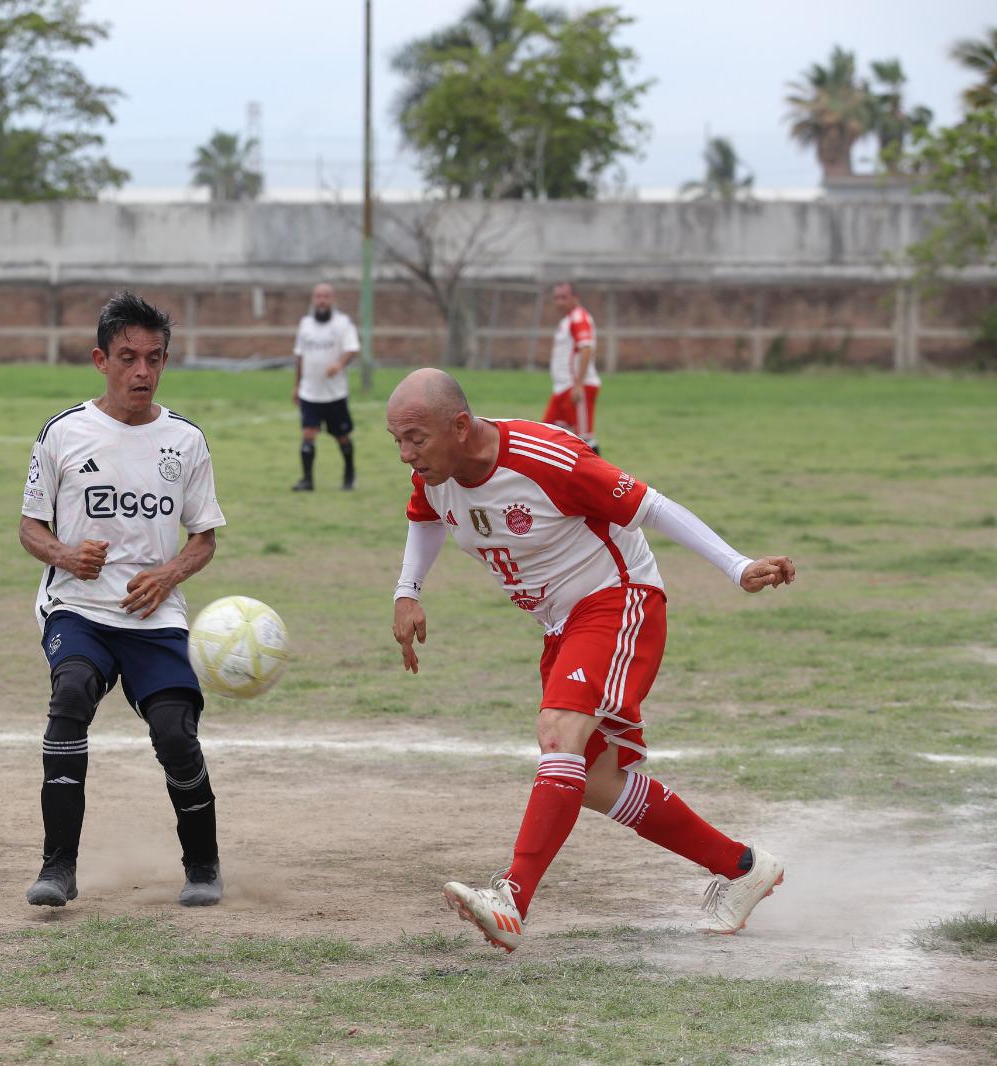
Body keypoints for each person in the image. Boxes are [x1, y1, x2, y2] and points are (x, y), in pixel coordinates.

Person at [386, 368, 795, 952]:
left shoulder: (547, 458)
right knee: (597, 781)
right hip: (562, 626)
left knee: (559, 735)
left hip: (617, 600)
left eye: (415, 438)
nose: (406, 455)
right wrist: (409, 591)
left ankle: (512, 899)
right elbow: (424, 518)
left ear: (458, 426)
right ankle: (743, 867)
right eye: (396, 441)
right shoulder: (437, 474)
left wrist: (737, 566)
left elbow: (653, 506)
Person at [19, 291, 227, 908]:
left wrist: (168, 574)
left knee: (174, 730)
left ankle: (204, 865)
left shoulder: (185, 441)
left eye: (154, 358)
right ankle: (58, 868)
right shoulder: (63, 433)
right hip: (79, 609)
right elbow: (30, 527)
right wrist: (65, 554)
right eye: (128, 357)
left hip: (154, 617)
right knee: (72, 693)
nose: (142, 371)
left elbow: (205, 538)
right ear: (100, 360)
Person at [291, 282, 359, 491]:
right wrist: (297, 385)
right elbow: (300, 355)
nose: (322, 300)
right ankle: (307, 480)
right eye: (318, 296)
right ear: (313, 299)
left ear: (332, 299)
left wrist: (339, 364)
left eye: (326, 296)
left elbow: (352, 348)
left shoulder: (342, 323)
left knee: (342, 436)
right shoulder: (305, 324)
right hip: (310, 392)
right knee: (308, 433)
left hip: (334, 394)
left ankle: (349, 475)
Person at [544, 282, 600, 452]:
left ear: (575, 297)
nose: (559, 302)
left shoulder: (579, 318)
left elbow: (586, 348)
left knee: (584, 439)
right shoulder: (567, 321)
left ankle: (602, 477)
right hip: (562, 388)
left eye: (564, 298)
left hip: (576, 388)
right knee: (547, 434)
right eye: (556, 298)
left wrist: (578, 384)